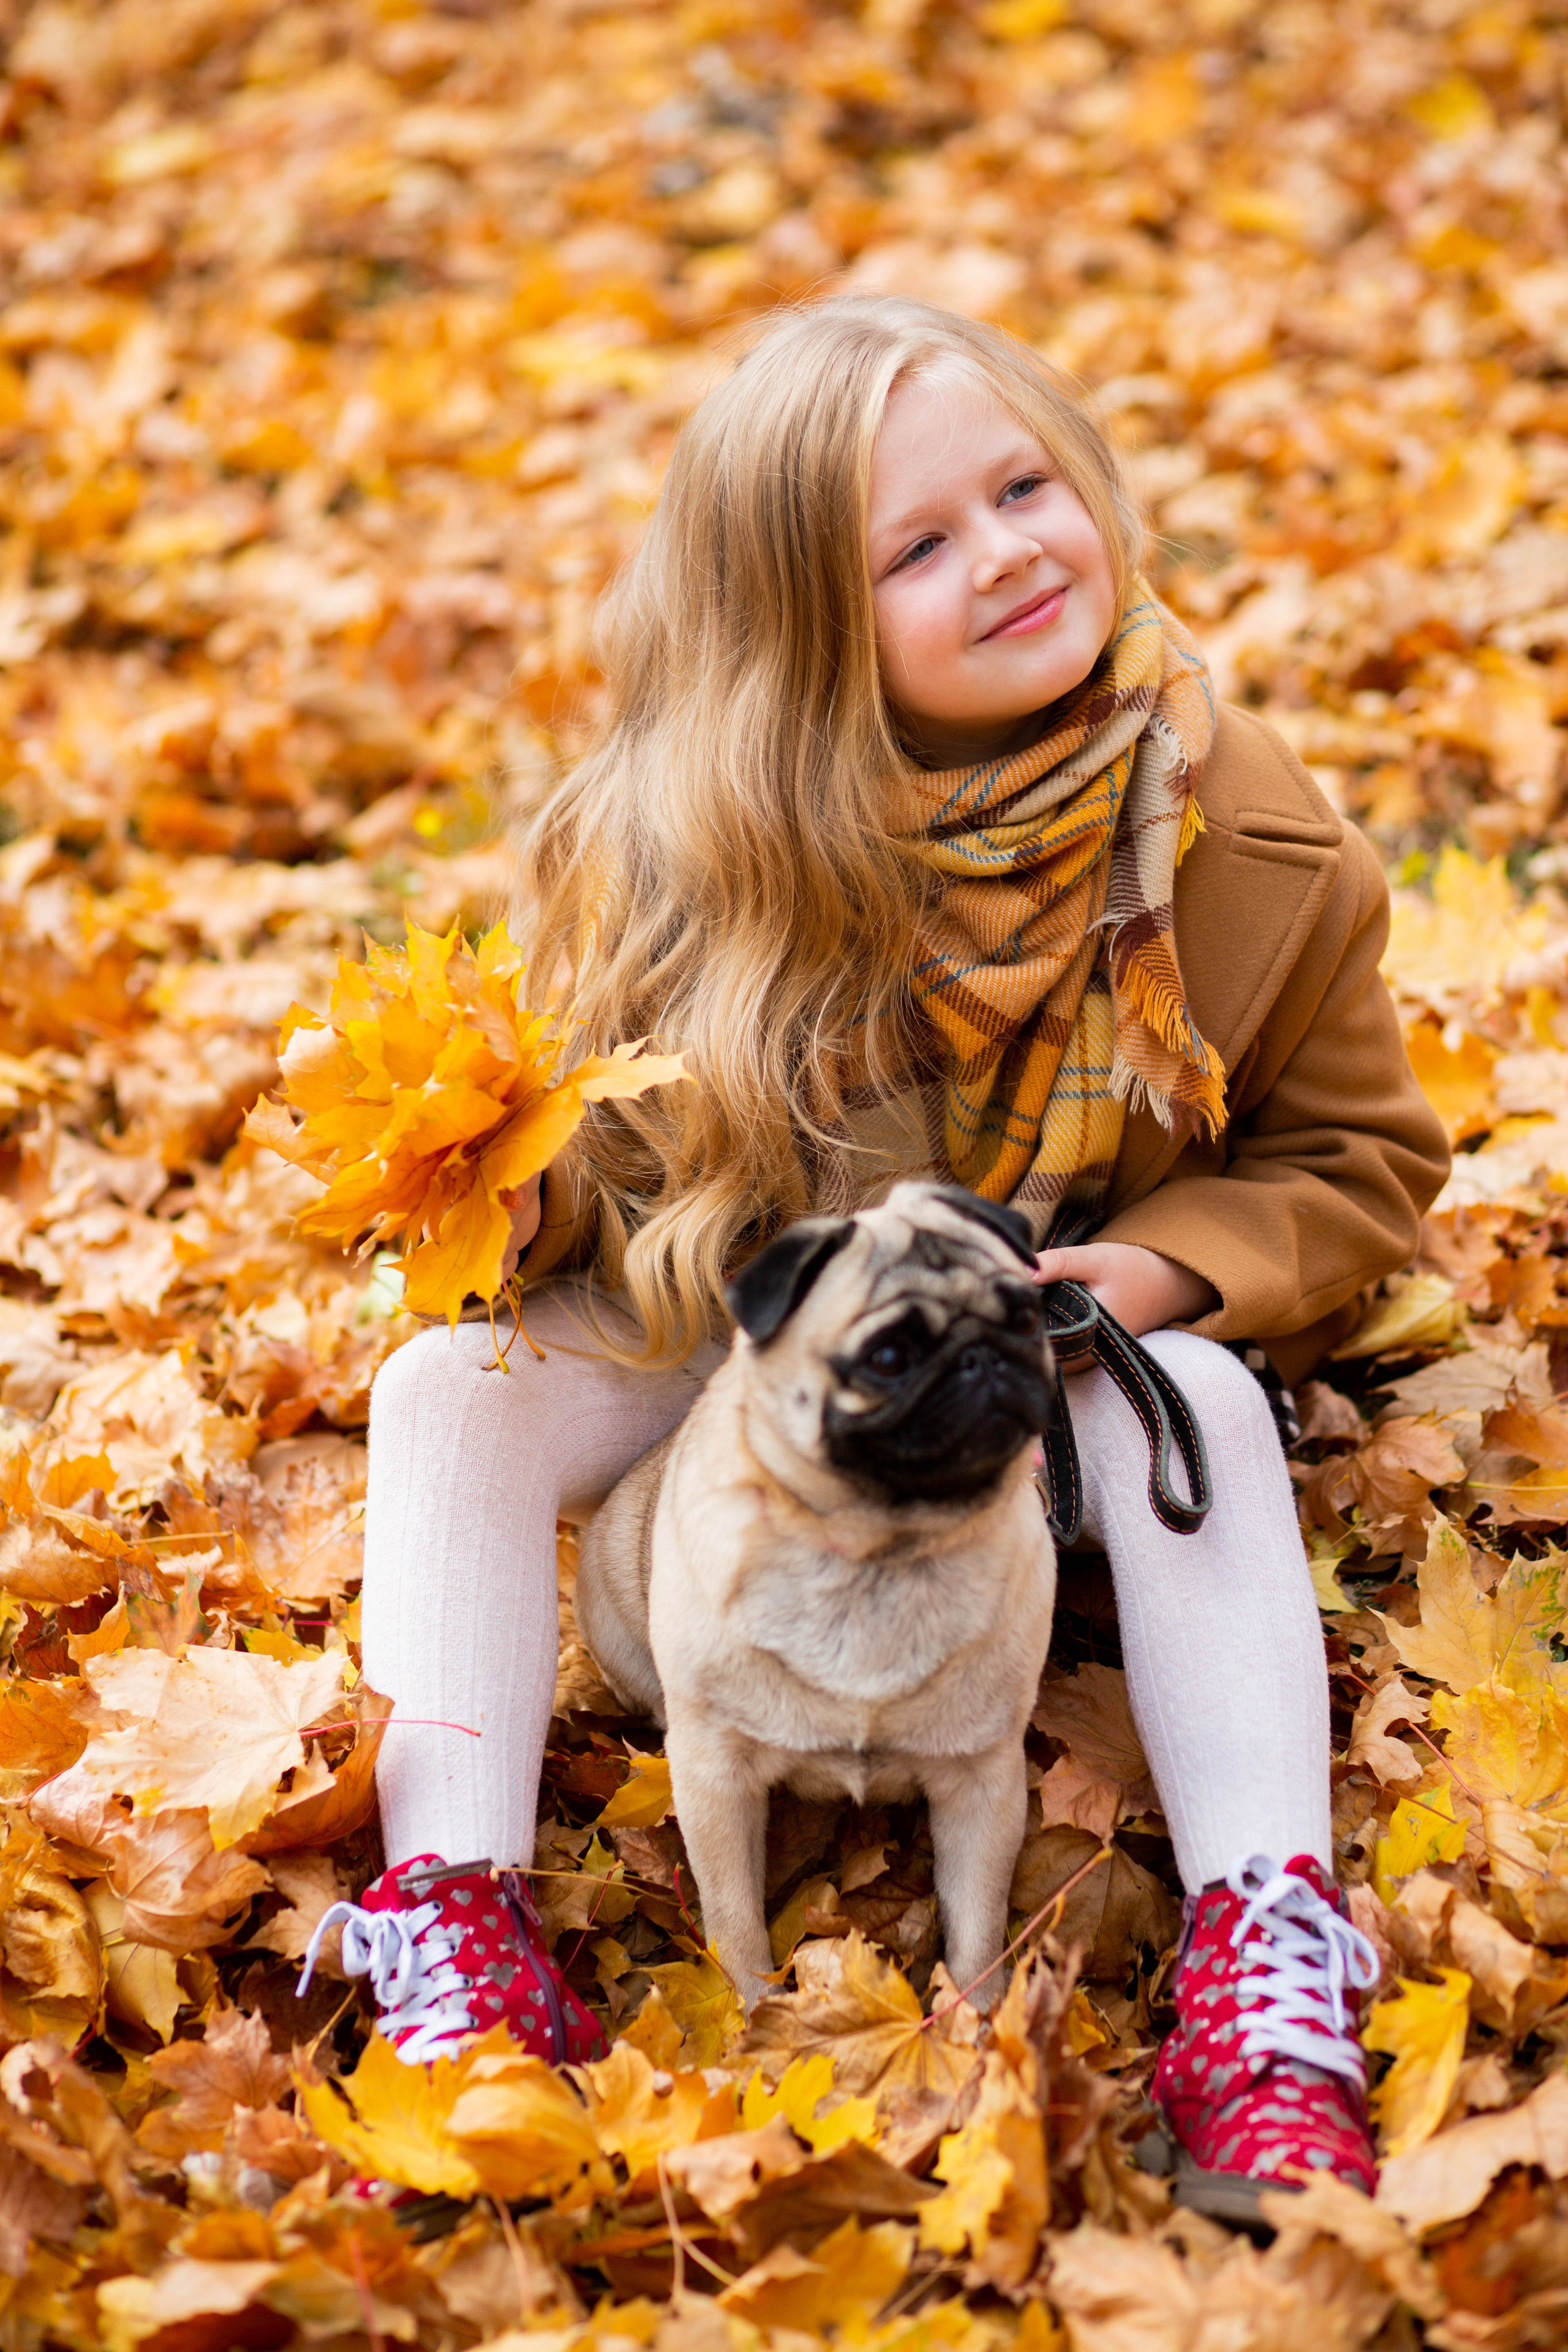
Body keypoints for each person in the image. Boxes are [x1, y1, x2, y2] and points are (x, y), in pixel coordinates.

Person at [301, 297, 1449, 2220]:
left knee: (1205, 1404)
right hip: (760, 1350)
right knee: (448, 1394)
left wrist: (1152, 1276)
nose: (1003, 553)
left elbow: (1357, 1162)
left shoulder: (1248, 837)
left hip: (1050, 1345)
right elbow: (624, 1170)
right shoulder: (687, 844)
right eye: (917, 546)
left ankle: (1269, 1960)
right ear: (801, 631)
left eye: (1025, 488)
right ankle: (454, 1940)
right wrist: (524, 1197)